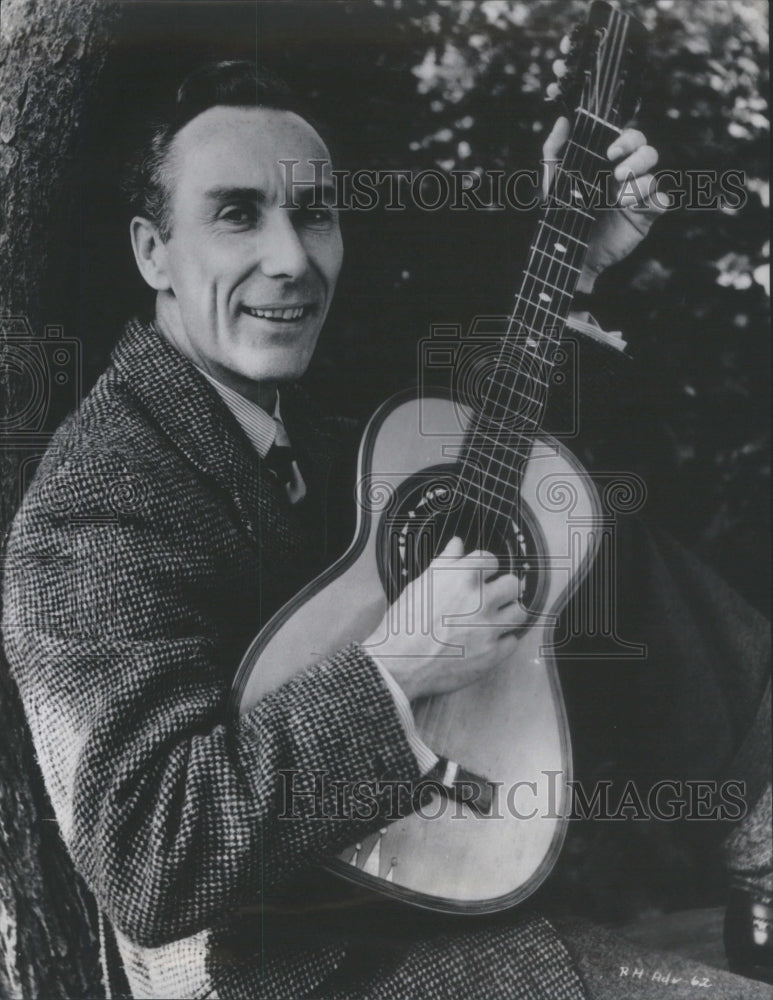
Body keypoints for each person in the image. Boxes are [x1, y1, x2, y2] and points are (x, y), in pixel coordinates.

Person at [2, 61, 770, 1000]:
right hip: (291, 969)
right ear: (153, 252)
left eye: (314, 214)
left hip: (427, 903)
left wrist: (572, 264)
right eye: (237, 214)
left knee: (572, 534)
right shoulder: (96, 500)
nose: (291, 258)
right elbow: (147, 855)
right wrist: (397, 663)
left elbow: (526, 476)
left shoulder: (295, 424)